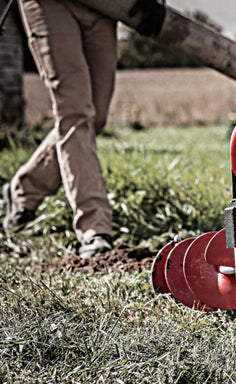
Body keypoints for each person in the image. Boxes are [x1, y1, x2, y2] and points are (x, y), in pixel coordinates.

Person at [3, 0, 117, 258]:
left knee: (95, 117)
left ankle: (24, 188)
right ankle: (95, 228)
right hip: (50, 4)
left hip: (109, 6)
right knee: (75, 112)